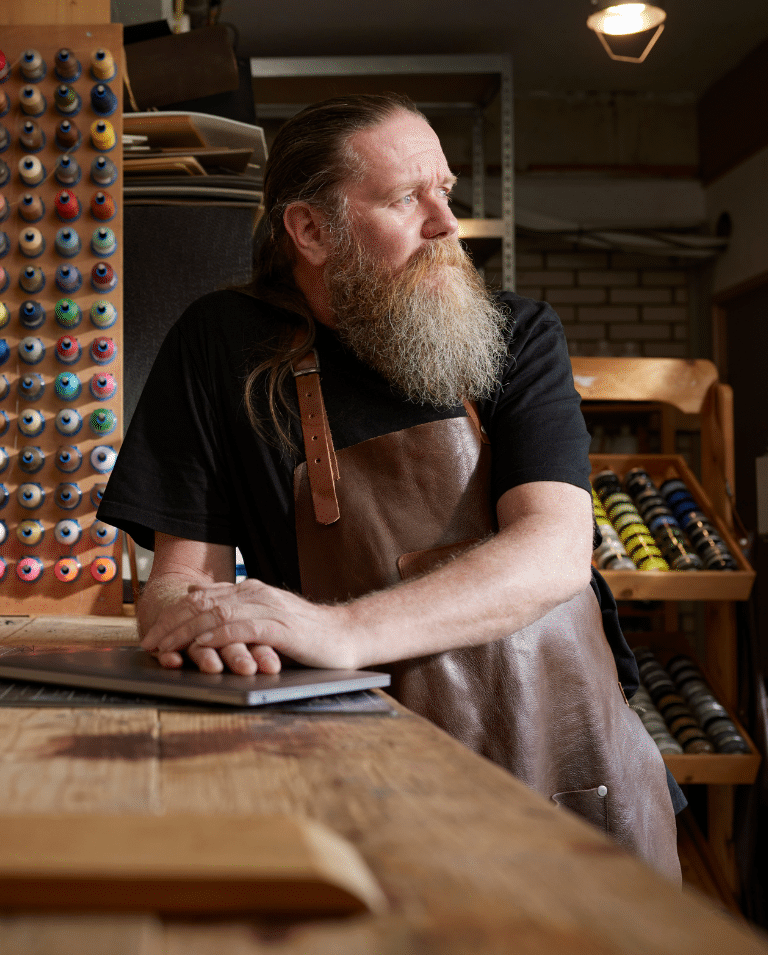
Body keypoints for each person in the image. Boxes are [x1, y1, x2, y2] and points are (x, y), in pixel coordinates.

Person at [96, 93, 681, 879]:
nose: (446, 223)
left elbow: (553, 552)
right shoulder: (219, 345)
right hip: (352, 769)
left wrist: (342, 633)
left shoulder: (514, 334)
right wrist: (193, 622)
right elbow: (179, 579)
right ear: (309, 230)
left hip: (567, 771)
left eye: (445, 191)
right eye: (408, 198)